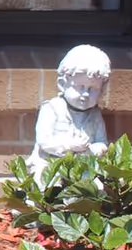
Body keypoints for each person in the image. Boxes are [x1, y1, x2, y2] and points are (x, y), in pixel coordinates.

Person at [28, 43, 110, 181]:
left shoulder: (95, 114)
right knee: (45, 182)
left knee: (96, 188)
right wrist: (70, 145)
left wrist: (95, 149)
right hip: (51, 164)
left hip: (83, 167)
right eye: (80, 87)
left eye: (93, 89)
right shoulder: (52, 108)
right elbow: (44, 141)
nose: (85, 94)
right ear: (62, 84)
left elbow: (102, 142)